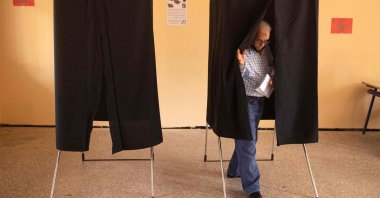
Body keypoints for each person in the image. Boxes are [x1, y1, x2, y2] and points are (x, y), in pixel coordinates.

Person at [227, 21, 274, 198]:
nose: (263, 44)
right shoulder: (244, 50)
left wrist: (273, 75)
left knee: (248, 140)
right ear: (253, 36)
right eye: (260, 41)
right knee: (248, 144)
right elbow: (239, 74)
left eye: (266, 41)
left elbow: (271, 64)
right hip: (245, 101)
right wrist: (241, 64)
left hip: (259, 100)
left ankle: (234, 169)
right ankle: (252, 188)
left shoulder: (266, 50)